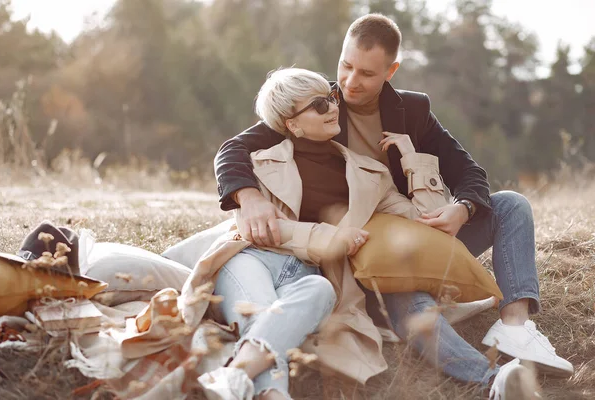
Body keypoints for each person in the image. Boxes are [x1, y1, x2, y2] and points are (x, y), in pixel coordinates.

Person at [213, 12, 572, 393]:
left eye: (367, 74)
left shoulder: (412, 111)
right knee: (407, 298)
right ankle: (494, 382)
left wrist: (460, 207)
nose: (350, 83)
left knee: (511, 204)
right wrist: (247, 196)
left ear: (391, 70)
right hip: (363, 254)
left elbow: (470, 174)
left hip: (416, 225)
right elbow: (233, 148)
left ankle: (516, 327)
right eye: (346, 66)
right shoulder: (317, 102)